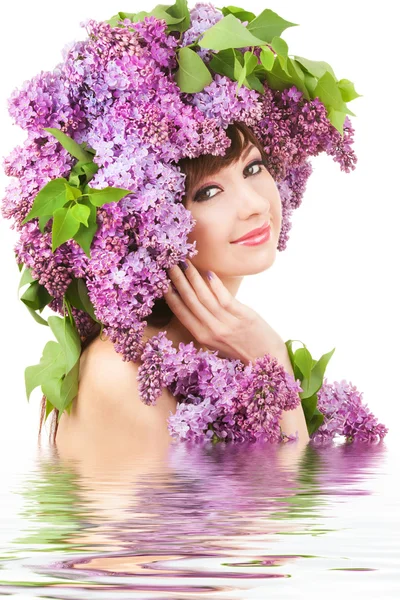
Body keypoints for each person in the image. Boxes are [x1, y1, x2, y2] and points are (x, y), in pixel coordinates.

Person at [54, 121, 310, 462]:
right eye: (208, 192)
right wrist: (272, 361)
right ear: (153, 221)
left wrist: (268, 360)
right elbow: (280, 511)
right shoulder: (121, 374)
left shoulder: (233, 343)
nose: (256, 205)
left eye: (252, 167)